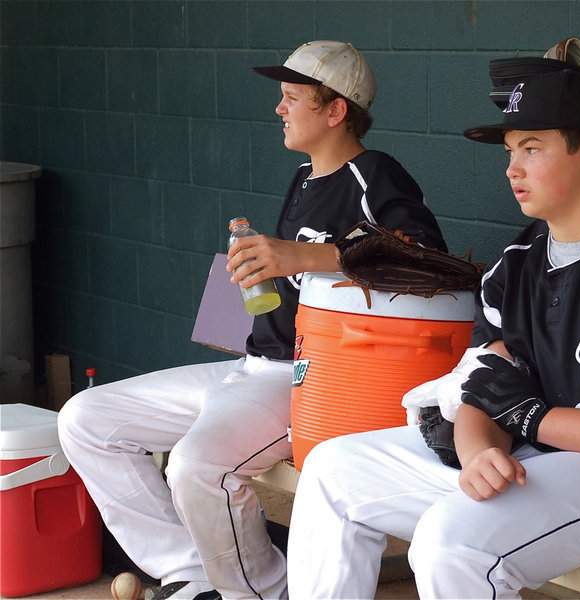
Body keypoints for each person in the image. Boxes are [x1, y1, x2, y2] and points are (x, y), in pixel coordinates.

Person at [285, 69, 580, 599]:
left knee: (452, 544)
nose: (512, 169)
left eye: (531, 148)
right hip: (540, 460)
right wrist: (478, 451)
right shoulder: (516, 263)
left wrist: (532, 419)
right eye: (508, 152)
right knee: (332, 471)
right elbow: (487, 387)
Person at [57, 40, 446, 600]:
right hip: (254, 364)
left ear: (335, 111)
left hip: (313, 381)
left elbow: (427, 261)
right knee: (85, 419)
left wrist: (306, 256)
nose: (279, 108)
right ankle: (192, 572)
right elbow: (296, 272)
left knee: (196, 465)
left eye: (292, 98)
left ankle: (256, 591)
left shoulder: (377, 175)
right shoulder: (305, 178)